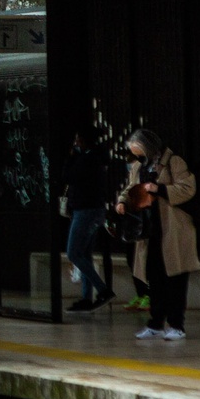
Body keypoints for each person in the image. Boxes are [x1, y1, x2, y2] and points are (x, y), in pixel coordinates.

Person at [118, 129, 196, 340]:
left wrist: (159, 188)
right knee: (154, 278)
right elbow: (131, 187)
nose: (137, 156)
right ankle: (155, 322)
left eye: (139, 150)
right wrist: (122, 202)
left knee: (175, 279)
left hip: (173, 230)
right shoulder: (138, 166)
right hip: (149, 231)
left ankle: (176, 324)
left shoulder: (173, 161)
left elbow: (188, 188)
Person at [61, 128, 116, 311]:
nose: (75, 144)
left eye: (78, 140)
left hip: (85, 211)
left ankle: (102, 290)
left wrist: (70, 158)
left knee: (74, 253)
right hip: (94, 210)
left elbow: (68, 176)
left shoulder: (86, 159)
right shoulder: (97, 158)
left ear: (83, 141)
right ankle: (86, 298)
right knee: (84, 254)